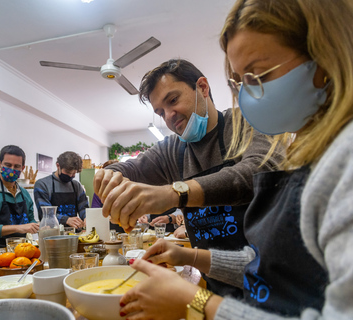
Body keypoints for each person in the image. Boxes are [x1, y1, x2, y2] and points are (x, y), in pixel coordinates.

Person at [119, 0, 353, 319]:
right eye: (241, 82)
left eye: (257, 76)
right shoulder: (310, 149)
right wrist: (191, 256)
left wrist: (197, 304)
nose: (248, 93)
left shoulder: (343, 160)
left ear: (323, 54)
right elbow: (271, 264)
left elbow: (246, 175)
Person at [94, 58, 284, 296]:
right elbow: (130, 168)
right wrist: (108, 175)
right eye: (160, 112)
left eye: (173, 101)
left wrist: (175, 193)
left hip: (274, 282)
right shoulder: (171, 150)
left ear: (202, 88)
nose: (169, 116)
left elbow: (258, 172)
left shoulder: (247, 122)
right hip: (215, 284)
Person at [34, 151, 88, 230]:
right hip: (51, 233)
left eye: (73, 174)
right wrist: (66, 220)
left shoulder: (76, 186)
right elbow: (45, 214)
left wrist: (86, 217)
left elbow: (84, 207)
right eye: (68, 172)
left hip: (74, 233)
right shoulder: (42, 185)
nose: (70, 175)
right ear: (58, 165)